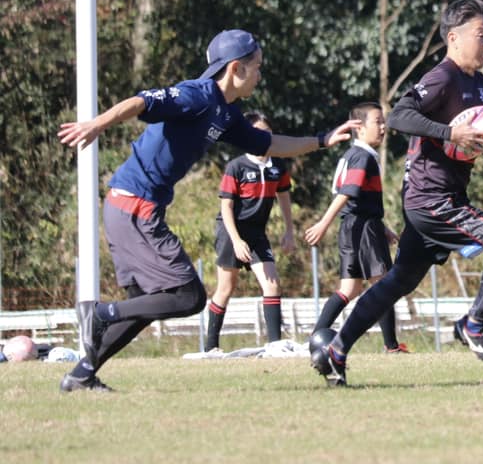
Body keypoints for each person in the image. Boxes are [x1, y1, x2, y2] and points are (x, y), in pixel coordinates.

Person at [57, 29, 359, 392]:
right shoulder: (196, 95)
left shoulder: (225, 113)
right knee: (188, 296)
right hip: (134, 207)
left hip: (128, 208)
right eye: (257, 67)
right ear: (236, 68)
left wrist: (322, 140)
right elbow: (140, 102)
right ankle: (99, 313)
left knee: (146, 304)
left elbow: (269, 144)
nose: (260, 75)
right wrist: (96, 124)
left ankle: (81, 375)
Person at [314, 0, 483, 386]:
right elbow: (400, 115)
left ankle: (335, 352)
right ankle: (474, 324)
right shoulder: (442, 77)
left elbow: (476, 144)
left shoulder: (481, 84)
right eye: (481, 36)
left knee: (399, 281)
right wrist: (449, 132)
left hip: (443, 200)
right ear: (454, 38)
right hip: (433, 200)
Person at [303, 101, 409, 353]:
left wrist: (382, 227)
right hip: (363, 228)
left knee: (349, 289)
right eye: (377, 122)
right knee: (384, 286)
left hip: (352, 227)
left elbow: (358, 199)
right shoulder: (362, 157)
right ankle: (392, 346)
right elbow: (347, 193)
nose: (383, 127)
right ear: (359, 128)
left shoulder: (352, 154)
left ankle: (315, 338)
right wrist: (323, 223)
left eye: (384, 122)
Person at [205, 111, 294, 352]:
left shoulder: (278, 165)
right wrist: (235, 241)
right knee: (226, 288)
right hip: (231, 231)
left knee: (272, 285)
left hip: (257, 233)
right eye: (258, 133)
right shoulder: (236, 167)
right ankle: (210, 347)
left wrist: (289, 230)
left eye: (268, 133)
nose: (263, 137)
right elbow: (226, 207)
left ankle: (275, 345)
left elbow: (284, 195)